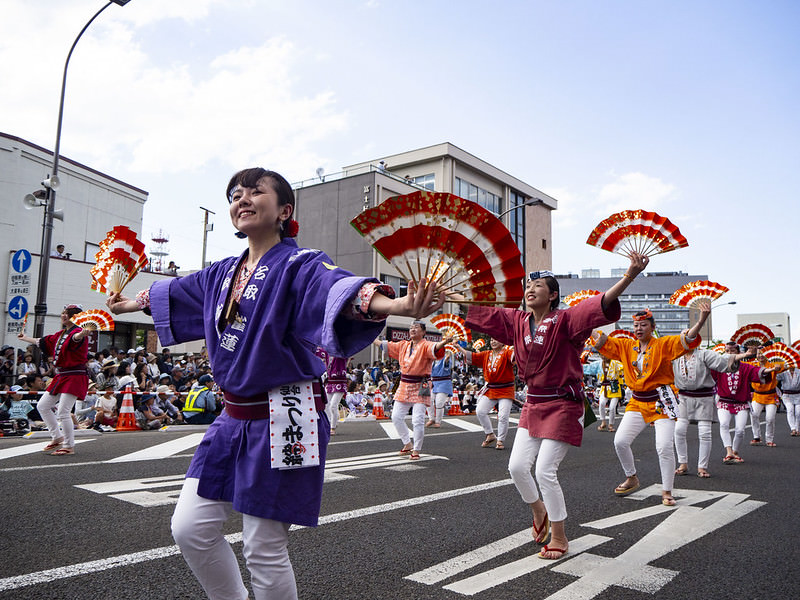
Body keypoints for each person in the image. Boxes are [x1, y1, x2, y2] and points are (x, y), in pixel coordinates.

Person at [106, 167, 445, 600]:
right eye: (235, 194)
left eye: (255, 192)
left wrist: (395, 305)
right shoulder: (220, 273)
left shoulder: (301, 265)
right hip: (232, 417)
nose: (242, 199)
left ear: (285, 210)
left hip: (288, 413)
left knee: (263, 546)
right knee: (189, 528)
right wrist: (127, 303)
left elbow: (337, 289)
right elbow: (175, 292)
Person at [449, 255, 645, 560]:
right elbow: (486, 314)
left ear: (553, 295)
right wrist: (454, 298)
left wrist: (629, 275)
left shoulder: (567, 320)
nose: (530, 289)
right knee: (516, 467)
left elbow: (600, 303)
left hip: (563, 403)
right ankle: (538, 510)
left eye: (538, 285)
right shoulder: (517, 321)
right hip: (534, 403)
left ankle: (560, 536)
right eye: (528, 286)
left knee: (544, 471)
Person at [593, 303, 710, 506]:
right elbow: (603, 341)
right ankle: (631, 477)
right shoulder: (627, 346)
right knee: (620, 441)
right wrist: (587, 321)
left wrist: (701, 320)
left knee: (664, 447)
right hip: (637, 401)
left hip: (661, 401)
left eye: (644, 325)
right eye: (636, 325)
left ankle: (667, 491)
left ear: (652, 327)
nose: (639, 329)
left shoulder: (663, 344)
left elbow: (687, 339)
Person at [671, 336, 752, 478]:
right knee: (679, 430)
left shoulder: (704, 354)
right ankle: (683, 463)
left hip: (704, 397)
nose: (687, 341)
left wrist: (745, 355)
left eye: (690, 338)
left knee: (704, 432)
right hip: (684, 397)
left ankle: (702, 467)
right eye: (684, 338)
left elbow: (722, 360)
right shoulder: (675, 356)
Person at [17, 304, 90, 455]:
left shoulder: (77, 332)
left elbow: (76, 339)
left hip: (75, 375)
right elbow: (43, 341)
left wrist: (82, 334)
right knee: (43, 406)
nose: (63, 315)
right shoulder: (61, 333)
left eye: (67, 313)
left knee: (63, 412)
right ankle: (57, 436)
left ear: (75, 317)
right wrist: (25, 338)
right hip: (62, 375)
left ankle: (69, 446)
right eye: (63, 313)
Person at [373, 322, 452, 460]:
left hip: (421, 385)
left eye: (416, 328)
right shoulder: (403, 345)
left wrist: (445, 341)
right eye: (411, 328)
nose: (412, 329)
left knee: (417, 420)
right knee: (396, 417)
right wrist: (370, 339)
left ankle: (416, 449)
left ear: (423, 332)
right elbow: (385, 345)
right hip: (404, 385)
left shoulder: (426, 345)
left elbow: (435, 347)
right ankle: (407, 443)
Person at [712, 342, 776, 463]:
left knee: (740, 430)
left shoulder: (746, 367)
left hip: (741, 403)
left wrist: (771, 369)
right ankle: (729, 452)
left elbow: (758, 372)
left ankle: (735, 452)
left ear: (738, 353)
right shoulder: (719, 366)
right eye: (727, 351)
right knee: (724, 424)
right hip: (724, 401)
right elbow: (707, 372)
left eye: (732, 351)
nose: (729, 354)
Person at [458, 339, 515, 449]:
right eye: (491, 340)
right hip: (491, 389)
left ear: (502, 342)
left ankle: (500, 440)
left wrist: (518, 344)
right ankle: (490, 434)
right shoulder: (486, 354)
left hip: (506, 389)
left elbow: (515, 357)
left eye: (496, 339)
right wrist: (458, 347)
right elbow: (472, 356)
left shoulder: (507, 352)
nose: (493, 342)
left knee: (503, 416)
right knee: (480, 411)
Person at [749, 348, 786, 447]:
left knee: (770, 418)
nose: (760, 355)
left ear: (767, 355)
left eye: (763, 353)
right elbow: (741, 365)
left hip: (771, 396)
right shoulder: (753, 365)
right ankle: (757, 437)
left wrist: (779, 366)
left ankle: (769, 439)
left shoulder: (773, 365)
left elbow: (786, 365)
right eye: (758, 354)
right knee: (753, 415)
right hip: (757, 396)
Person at [315, 347, 348, 435]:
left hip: (340, 383)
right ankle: (329, 423)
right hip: (330, 383)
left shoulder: (341, 353)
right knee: (325, 404)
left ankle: (332, 427)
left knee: (333, 405)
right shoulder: (325, 352)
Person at [427, 348, 455, 429]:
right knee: (428, 400)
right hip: (433, 383)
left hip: (444, 383)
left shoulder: (445, 358)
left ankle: (438, 421)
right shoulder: (431, 360)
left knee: (439, 402)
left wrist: (447, 360)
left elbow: (447, 366)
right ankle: (431, 418)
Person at [596, 357, 624, 432]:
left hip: (614, 388)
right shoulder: (599, 363)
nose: (603, 357)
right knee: (601, 403)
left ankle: (611, 425)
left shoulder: (616, 362)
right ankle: (603, 422)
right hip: (604, 388)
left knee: (612, 407)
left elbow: (624, 366)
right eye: (602, 355)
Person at [777, 363, 800, 436]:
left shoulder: (799, 372)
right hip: (787, 395)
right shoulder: (784, 373)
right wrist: (780, 369)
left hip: (798, 394)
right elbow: (776, 377)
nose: (791, 365)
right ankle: (793, 429)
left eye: (792, 363)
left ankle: (797, 429)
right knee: (790, 410)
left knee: (798, 412)